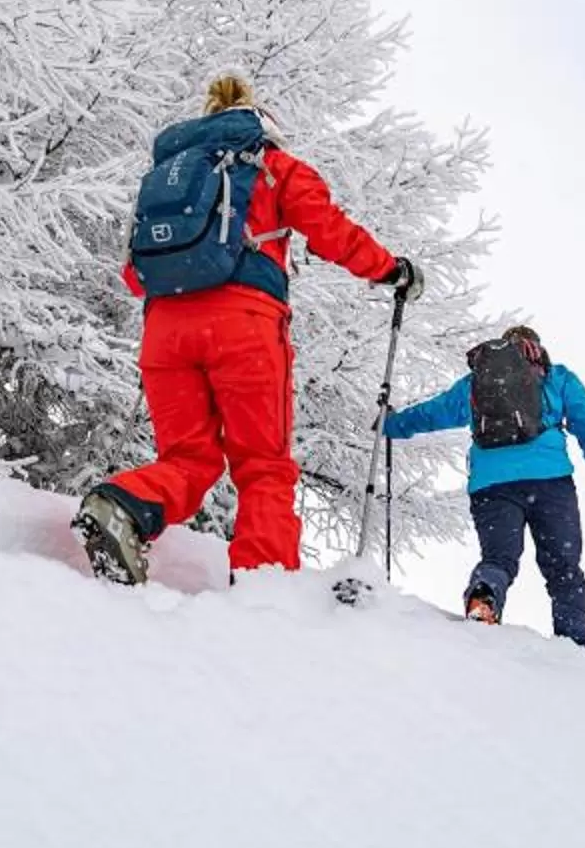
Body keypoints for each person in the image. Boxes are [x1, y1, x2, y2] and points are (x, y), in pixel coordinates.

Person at [73, 74, 420, 584]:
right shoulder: (271, 165)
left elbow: (134, 275)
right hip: (246, 328)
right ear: (264, 124)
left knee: (189, 458)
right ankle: (266, 586)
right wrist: (391, 270)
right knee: (263, 464)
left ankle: (124, 504)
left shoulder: (170, 175)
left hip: (165, 332)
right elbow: (329, 230)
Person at [381, 324, 585, 647]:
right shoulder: (557, 378)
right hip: (550, 482)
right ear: (535, 349)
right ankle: (575, 643)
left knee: (498, 559)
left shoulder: (478, 382)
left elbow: (434, 412)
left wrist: (392, 424)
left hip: (492, 485)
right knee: (563, 567)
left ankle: (484, 601)